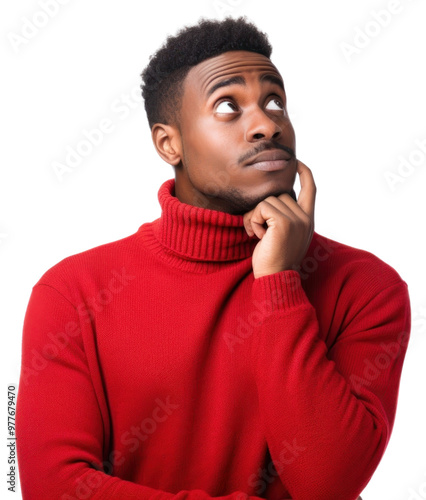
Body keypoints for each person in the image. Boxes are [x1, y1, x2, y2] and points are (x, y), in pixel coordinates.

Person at [16, 16, 410, 500]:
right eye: (228, 106)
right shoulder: (72, 292)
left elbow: (327, 484)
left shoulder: (366, 287)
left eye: (275, 102)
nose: (267, 124)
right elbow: (53, 488)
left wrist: (280, 281)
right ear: (169, 144)